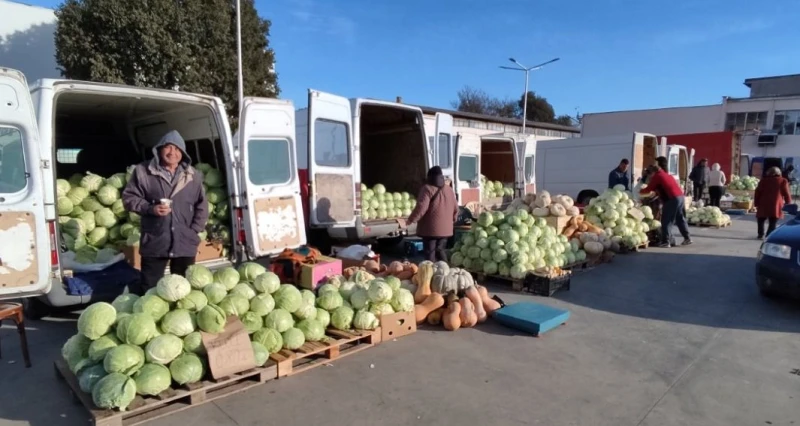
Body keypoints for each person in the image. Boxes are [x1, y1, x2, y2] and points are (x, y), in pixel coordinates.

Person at [122, 130, 209, 294]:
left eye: (177, 149)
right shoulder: (143, 171)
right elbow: (129, 198)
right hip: (155, 240)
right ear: (159, 149)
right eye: (168, 148)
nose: (173, 153)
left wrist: (194, 230)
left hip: (185, 241)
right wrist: (150, 208)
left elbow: (202, 205)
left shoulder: (193, 175)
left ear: (182, 153)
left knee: (183, 290)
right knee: (150, 290)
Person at [406, 166, 458, 262]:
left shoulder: (427, 189)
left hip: (430, 229)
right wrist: (454, 218)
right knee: (440, 250)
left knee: (430, 253)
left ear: (429, 177)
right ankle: (446, 270)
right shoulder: (449, 189)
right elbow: (455, 207)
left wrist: (411, 220)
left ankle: (432, 273)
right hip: (446, 229)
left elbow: (421, 208)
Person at [647, 156, 692, 247]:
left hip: (671, 199)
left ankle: (666, 241)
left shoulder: (659, 175)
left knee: (666, 220)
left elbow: (654, 189)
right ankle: (687, 238)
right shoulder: (667, 174)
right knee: (680, 218)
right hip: (680, 197)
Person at [754, 167, 792, 240]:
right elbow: (786, 193)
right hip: (776, 204)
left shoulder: (763, 180)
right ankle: (768, 235)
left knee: (761, 219)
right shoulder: (783, 181)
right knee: (773, 221)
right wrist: (788, 203)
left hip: (763, 203)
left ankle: (760, 234)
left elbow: (757, 192)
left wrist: (756, 203)